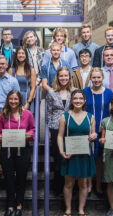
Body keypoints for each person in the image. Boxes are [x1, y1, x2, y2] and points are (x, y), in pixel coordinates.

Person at [57, 89, 97, 216]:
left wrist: (94, 135)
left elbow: (93, 134)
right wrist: (62, 151)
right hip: (70, 154)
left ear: (84, 101)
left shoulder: (90, 117)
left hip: (84, 154)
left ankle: (81, 209)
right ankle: (68, 209)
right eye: (75, 98)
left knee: (83, 183)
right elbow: (60, 136)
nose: (78, 100)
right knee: (68, 183)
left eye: (81, 98)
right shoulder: (65, 117)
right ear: (71, 101)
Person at [0, 90, 35, 216]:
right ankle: (10, 205)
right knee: (8, 178)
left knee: (21, 178)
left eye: (16, 99)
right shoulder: (3, 115)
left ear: (20, 100)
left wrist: (30, 134)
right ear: (8, 100)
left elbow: (33, 129)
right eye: (11, 99)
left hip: (22, 150)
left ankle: (19, 205)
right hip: (6, 151)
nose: (13, 101)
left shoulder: (27, 114)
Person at [83, 68, 113, 196]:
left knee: (100, 160)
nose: (96, 80)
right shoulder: (85, 92)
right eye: (94, 77)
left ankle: (99, 184)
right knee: (89, 157)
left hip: (103, 131)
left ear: (102, 78)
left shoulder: (109, 93)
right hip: (87, 130)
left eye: (98, 77)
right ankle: (89, 184)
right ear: (90, 78)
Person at [46, 67, 74, 196]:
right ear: (57, 77)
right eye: (61, 76)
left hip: (71, 129)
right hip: (56, 129)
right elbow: (49, 112)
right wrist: (50, 131)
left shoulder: (74, 92)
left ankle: (69, 187)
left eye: (66, 76)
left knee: (70, 159)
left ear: (69, 77)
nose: (63, 78)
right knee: (58, 158)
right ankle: (58, 187)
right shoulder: (51, 92)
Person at [8, 47, 36, 112]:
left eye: (23, 53)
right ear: (16, 55)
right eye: (19, 53)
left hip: (27, 99)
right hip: (13, 100)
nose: (21, 55)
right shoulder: (11, 70)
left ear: (26, 55)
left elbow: (33, 87)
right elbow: (9, 87)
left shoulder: (31, 70)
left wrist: (28, 102)